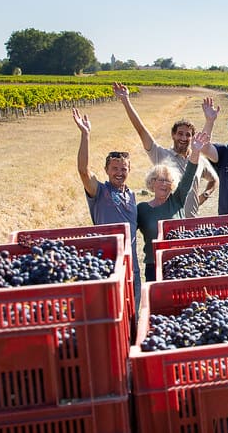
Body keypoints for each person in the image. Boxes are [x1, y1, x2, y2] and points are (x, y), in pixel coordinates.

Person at [113, 82, 216, 217]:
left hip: (192, 220)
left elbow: (214, 180)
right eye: (180, 133)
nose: (183, 138)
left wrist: (205, 194)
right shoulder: (161, 155)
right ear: (173, 135)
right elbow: (141, 131)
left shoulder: (200, 161)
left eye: (188, 135)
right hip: (169, 222)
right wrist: (126, 100)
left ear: (192, 138)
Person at [72, 108, 140, 311]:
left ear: (129, 170)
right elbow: (83, 171)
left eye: (123, 169)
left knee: (133, 312)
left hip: (132, 265)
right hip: (108, 262)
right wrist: (85, 135)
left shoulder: (133, 195)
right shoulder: (99, 191)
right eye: (115, 169)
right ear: (106, 170)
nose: (119, 173)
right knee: (112, 308)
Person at [136, 133, 210, 282]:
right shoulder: (142, 209)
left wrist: (195, 151)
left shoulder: (177, 200)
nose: (164, 184)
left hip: (180, 262)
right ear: (152, 182)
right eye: (160, 180)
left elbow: (189, 175)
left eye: (168, 181)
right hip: (153, 266)